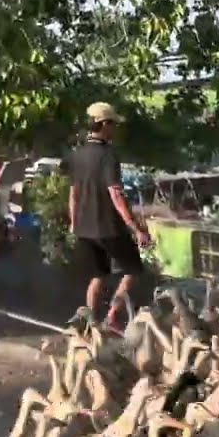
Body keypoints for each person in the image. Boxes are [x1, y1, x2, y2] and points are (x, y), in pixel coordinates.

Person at [67, 102, 151, 330]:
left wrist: (74, 223)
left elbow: (73, 194)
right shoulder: (108, 156)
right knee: (133, 269)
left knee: (98, 275)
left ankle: (89, 324)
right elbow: (115, 194)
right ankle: (112, 316)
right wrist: (135, 228)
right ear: (104, 124)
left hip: (84, 228)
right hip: (108, 226)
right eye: (113, 124)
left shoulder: (77, 154)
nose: (115, 129)